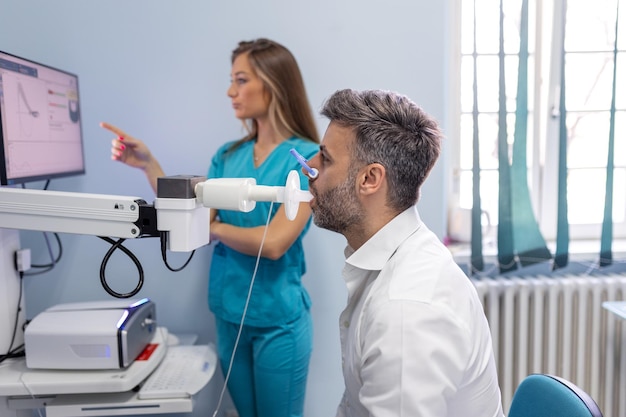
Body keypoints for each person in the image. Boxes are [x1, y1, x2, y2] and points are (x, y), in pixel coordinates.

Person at [101, 38, 320, 417]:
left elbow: (274, 244)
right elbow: (190, 211)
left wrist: (213, 229)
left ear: (273, 83)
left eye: (241, 80)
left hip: (278, 323)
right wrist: (148, 163)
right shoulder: (227, 156)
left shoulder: (306, 157)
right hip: (229, 316)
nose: (230, 91)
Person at [305, 89, 504, 417]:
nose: (309, 168)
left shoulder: (405, 311)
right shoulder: (393, 256)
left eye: (325, 159)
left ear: (370, 179)